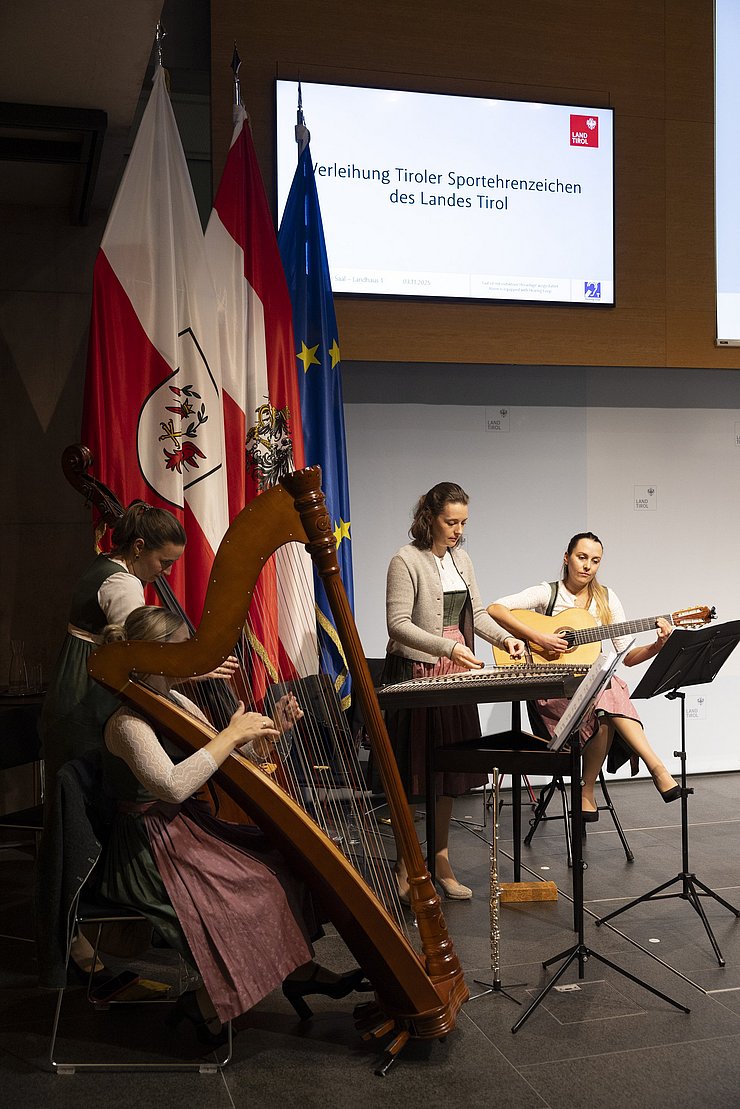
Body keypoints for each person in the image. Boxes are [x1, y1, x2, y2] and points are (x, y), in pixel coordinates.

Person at [99, 606, 369, 1043]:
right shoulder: (127, 721)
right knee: (256, 889)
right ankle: (201, 1005)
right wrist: (229, 734)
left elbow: (223, 760)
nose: (194, 658)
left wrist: (263, 733)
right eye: (185, 648)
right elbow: (171, 786)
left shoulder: (175, 700)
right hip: (148, 847)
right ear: (157, 655)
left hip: (184, 829)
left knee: (283, 862)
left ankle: (299, 973)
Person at [383, 482, 524, 902]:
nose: (458, 530)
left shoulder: (461, 558)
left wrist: (504, 641)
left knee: (448, 771)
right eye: (451, 521)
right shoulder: (404, 560)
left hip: (456, 670)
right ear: (430, 517)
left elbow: (476, 614)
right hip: (418, 670)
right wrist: (448, 647)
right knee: (415, 770)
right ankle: (408, 861)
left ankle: (440, 858)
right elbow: (398, 625)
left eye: (463, 522)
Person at [487, 531, 680, 820]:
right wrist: (540, 637)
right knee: (608, 692)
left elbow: (626, 657)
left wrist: (658, 645)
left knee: (607, 690)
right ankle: (654, 768)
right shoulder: (548, 593)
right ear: (566, 558)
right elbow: (495, 609)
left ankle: (593, 788)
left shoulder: (605, 598)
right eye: (581, 557)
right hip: (552, 689)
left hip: (593, 690)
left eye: (595, 560)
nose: (587, 565)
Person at [40, 501, 188, 789]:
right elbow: (139, 654)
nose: (168, 573)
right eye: (165, 562)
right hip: (86, 696)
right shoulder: (123, 583)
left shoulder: (108, 562)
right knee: (89, 790)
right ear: (139, 546)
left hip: (73, 683)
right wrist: (193, 670)